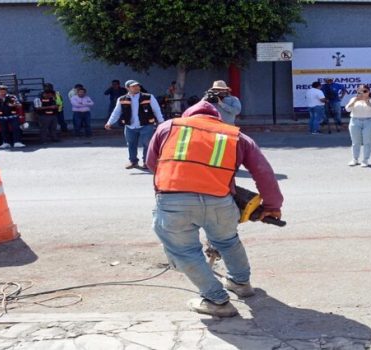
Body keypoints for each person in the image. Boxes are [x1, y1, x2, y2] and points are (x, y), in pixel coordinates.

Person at [145, 101, 283, 317]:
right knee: (227, 241)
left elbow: (152, 163)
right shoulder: (236, 136)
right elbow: (264, 173)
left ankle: (216, 301)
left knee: (185, 251)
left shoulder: (168, 127)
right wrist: (272, 206)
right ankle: (241, 283)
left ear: (188, 115)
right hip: (221, 201)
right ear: (218, 117)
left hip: (174, 200)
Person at [105, 80, 164, 169]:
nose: (137, 87)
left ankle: (146, 162)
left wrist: (161, 122)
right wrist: (109, 122)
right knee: (131, 144)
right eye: (133, 86)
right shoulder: (122, 99)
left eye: (138, 86)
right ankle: (133, 161)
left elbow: (157, 110)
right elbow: (116, 112)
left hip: (146, 125)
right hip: (130, 126)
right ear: (127, 88)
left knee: (147, 144)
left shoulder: (148, 97)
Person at [345, 85, 371, 167]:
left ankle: (365, 160)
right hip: (355, 121)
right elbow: (347, 109)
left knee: (367, 142)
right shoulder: (353, 99)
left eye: (365, 91)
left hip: (370, 121)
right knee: (355, 142)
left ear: (369, 92)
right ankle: (355, 159)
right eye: (360, 91)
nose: (363, 93)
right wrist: (355, 101)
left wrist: (366, 100)